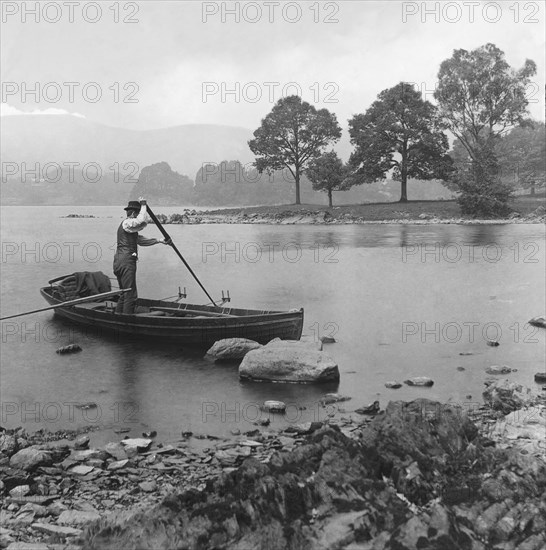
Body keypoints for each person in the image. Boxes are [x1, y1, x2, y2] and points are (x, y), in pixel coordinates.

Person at [113, 197, 171, 314]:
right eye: (138, 213)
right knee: (130, 294)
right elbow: (141, 221)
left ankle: (117, 316)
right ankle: (127, 322)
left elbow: (140, 240)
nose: (140, 215)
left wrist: (159, 240)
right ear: (134, 213)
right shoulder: (127, 223)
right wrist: (144, 205)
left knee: (124, 293)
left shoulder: (129, 229)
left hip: (119, 262)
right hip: (126, 261)